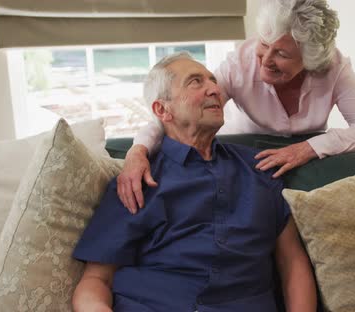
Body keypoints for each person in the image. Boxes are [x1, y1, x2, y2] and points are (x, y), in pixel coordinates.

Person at [72, 52, 317, 312]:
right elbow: (96, 280)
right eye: (196, 82)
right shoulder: (135, 180)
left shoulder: (259, 168)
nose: (215, 89)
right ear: (162, 110)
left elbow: (292, 263)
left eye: (213, 81)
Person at [118, 0, 355, 214]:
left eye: (282, 54)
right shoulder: (240, 63)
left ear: (308, 61)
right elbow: (175, 112)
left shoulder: (334, 68)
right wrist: (137, 151)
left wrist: (309, 148)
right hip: (247, 162)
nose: (265, 59)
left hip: (304, 161)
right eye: (264, 44)